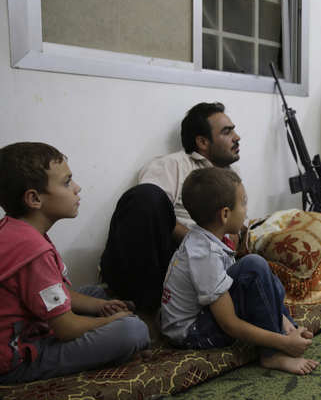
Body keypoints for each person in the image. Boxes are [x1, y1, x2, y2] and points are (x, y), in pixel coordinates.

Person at [0, 142, 149, 384]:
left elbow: (58, 291)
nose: (77, 188)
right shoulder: (33, 251)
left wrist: (98, 306)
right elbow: (67, 329)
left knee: (94, 294)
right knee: (132, 330)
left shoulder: (14, 230)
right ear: (34, 199)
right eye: (67, 182)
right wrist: (109, 321)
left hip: (20, 326)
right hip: (10, 361)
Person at [160, 168, 319, 375]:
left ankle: (287, 329)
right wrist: (282, 343)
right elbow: (230, 325)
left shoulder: (210, 238)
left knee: (264, 276)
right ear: (225, 214)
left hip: (204, 317)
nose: (246, 210)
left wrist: (285, 322)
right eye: (243, 203)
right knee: (254, 267)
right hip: (192, 333)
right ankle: (272, 354)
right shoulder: (204, 254)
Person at [100, 102, 241, 312]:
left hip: (209, 265)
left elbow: (235, 229)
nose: (237, 137)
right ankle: (144, 309)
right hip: (166, 262)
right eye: (227, 132)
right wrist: (201, 245)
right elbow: (149, 212)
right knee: (146, 196)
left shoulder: (232, 177)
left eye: (233, 130)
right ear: (202, 141)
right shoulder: (173, 165)